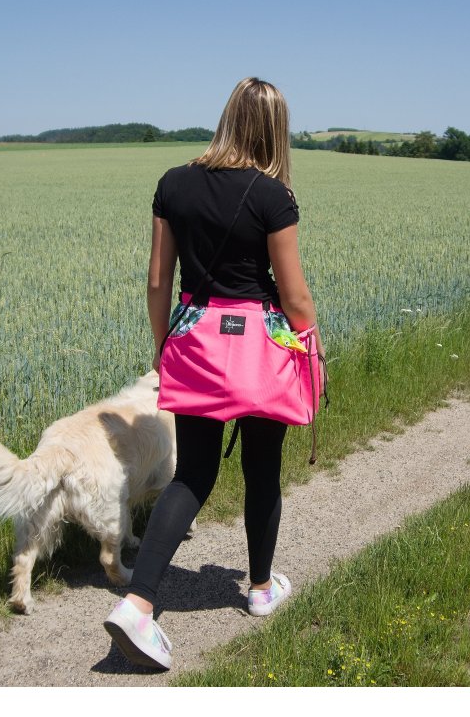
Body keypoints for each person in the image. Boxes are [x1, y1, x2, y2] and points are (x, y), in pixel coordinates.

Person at [103, 77, 323, 671]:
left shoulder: (172, 183)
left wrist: (162, 345)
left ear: (227, 118)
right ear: (276, 129)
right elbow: (294, 293)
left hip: (194, 342)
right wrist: (313, 343)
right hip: (262, 351)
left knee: (192, 476)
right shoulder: (274, 195)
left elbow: (157, 280)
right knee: (262, 467)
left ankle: (138, 606)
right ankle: (258, 589)